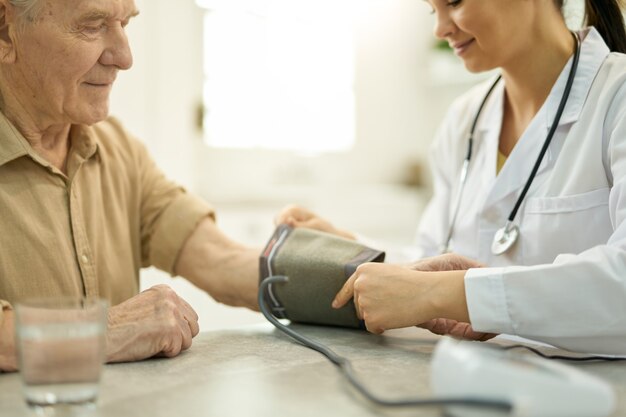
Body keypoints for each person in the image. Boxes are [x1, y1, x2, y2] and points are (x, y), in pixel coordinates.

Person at [277, 0, 626, 354]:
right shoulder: (464, 120)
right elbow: (432, 259)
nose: (440, 29)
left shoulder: (617, 96)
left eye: (454, 2)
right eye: (432, 10)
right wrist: (349, 248)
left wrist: (447, 293)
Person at [0, 0, 260, 372]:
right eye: (92, 25)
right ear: (5, 29)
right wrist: (106, 331)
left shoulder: (117, 147)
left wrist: (353, 276)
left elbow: (221, 261)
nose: (124, 57)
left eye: (125, 24)